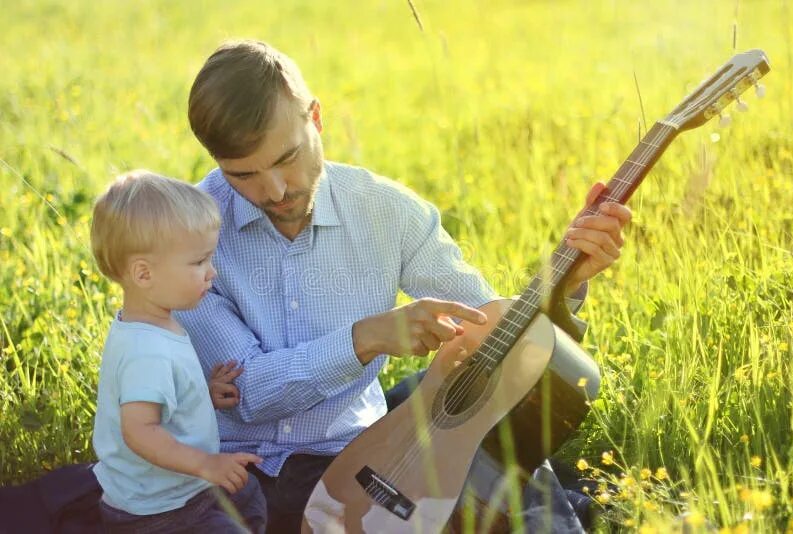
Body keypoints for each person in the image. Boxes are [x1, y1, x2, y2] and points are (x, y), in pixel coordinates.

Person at [176, 40, 631, 532]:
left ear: (316, 119)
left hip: (362, 451)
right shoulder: (187, 234)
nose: (275, 191)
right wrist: (366, 338)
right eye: (243, 175)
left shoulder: (386, 211)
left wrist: (565, 279)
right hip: (236, 471)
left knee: (497, 458)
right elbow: (248, 392)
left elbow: (490, 330)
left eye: (287, 158)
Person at [89, 170, 268, 533]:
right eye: (198, 262)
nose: (211, 273)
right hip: (159, 511)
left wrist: (200, 396)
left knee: (248, 494)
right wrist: (206, 464)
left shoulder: (151, 324)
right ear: (144, 274)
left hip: (177, 489)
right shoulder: (147, 352)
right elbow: (140, 431)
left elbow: (159, 399)